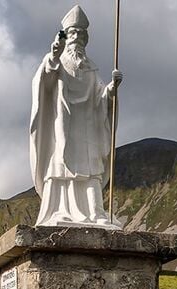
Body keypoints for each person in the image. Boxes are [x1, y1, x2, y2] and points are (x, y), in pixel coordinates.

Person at [30, 5, 123, 228]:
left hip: (88, 126)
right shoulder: (58, 61)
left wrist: (112, 89)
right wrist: (53, 54)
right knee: (60, 164)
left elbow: (100, 97)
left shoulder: (91, 68)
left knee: (91, 168)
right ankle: (60, 210)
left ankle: (95, 212)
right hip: (63, 125)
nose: (77, 38)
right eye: (73, 34)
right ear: (66, 37)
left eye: (81, 35)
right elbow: (45, 78)